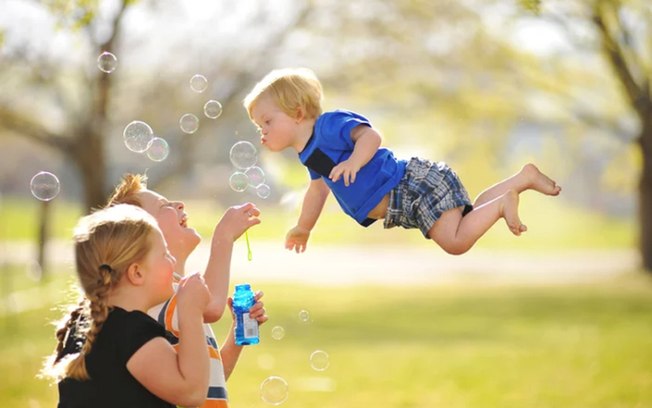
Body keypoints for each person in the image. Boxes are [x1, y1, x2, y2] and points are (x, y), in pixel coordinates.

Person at [243, 67, 562, 255]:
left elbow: (371, 137)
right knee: (469, 218)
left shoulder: (329, 125)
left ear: (297, 113)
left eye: (267, 122)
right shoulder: (309, 152)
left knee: (455, 242)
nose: (263, 132)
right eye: (260, 127)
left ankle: (505, 201)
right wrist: (303, 228)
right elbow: (317, 192)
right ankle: (521, 179)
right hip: (407, 198)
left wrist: (355, 161)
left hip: (412, 186)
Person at [106, 174, 268, 407]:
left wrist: (236, 337)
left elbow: (205, 379)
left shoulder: (179, 300)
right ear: (141, 237)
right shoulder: (155, 296)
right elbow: (212, 307)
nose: (179, 205)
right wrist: (223, 236)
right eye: (164, 206)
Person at [42, 204, 211, 407]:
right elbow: (192, 393)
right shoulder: (133, 332)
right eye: (165, 254)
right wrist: (191, 311)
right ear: (137, 272)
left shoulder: (86, 325)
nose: (173, 259)